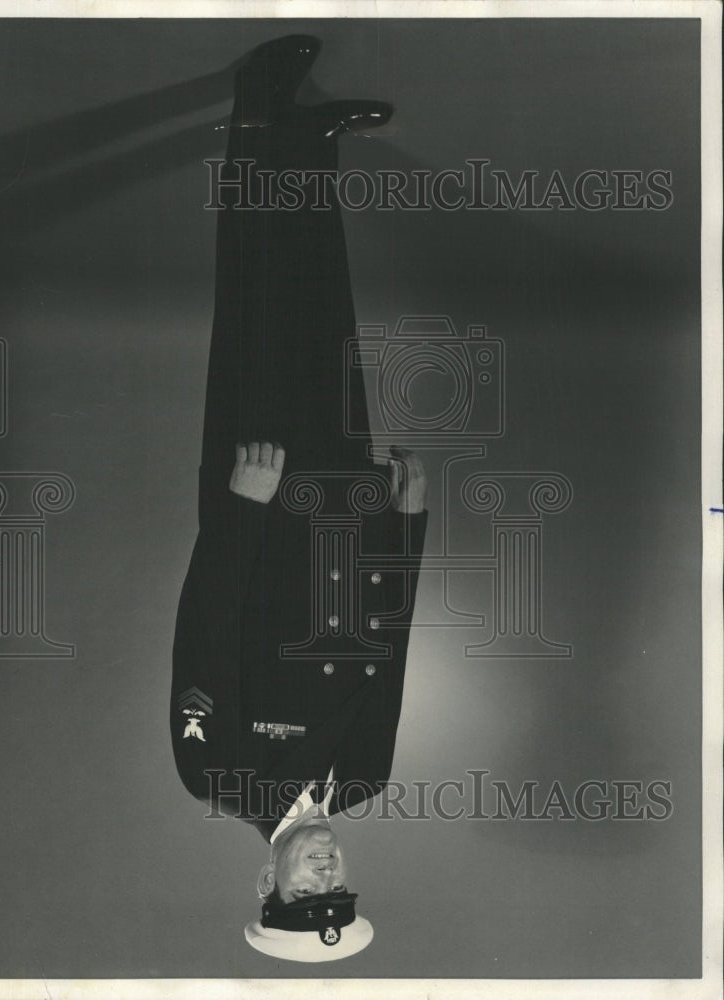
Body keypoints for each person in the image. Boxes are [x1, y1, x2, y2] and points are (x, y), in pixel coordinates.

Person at [170, 34, 428, 962]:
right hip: (346, 526)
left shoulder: (220, 774)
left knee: (255, 311)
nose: (325, 877)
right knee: (326, 324)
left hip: (264, 505)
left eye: (302, 895)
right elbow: (387, 648)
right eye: (337, 891)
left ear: (263, 884)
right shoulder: (362, 780)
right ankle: (311, 148)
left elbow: (204, 626)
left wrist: (243, 504)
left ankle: (256, 111)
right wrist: (406, 528)